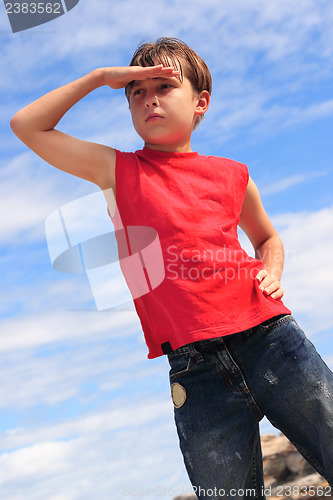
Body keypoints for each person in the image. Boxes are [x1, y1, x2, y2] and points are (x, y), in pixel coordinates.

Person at [10, 37, 333, 499]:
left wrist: (273, 270)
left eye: (164, 85)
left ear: (200, 103)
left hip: (272, 338)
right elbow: (27, 125)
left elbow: (267, 238)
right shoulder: (115, 170)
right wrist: (102, 77)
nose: (149, 98)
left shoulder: (232, 174)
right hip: (195, 370)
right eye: (137, 91)